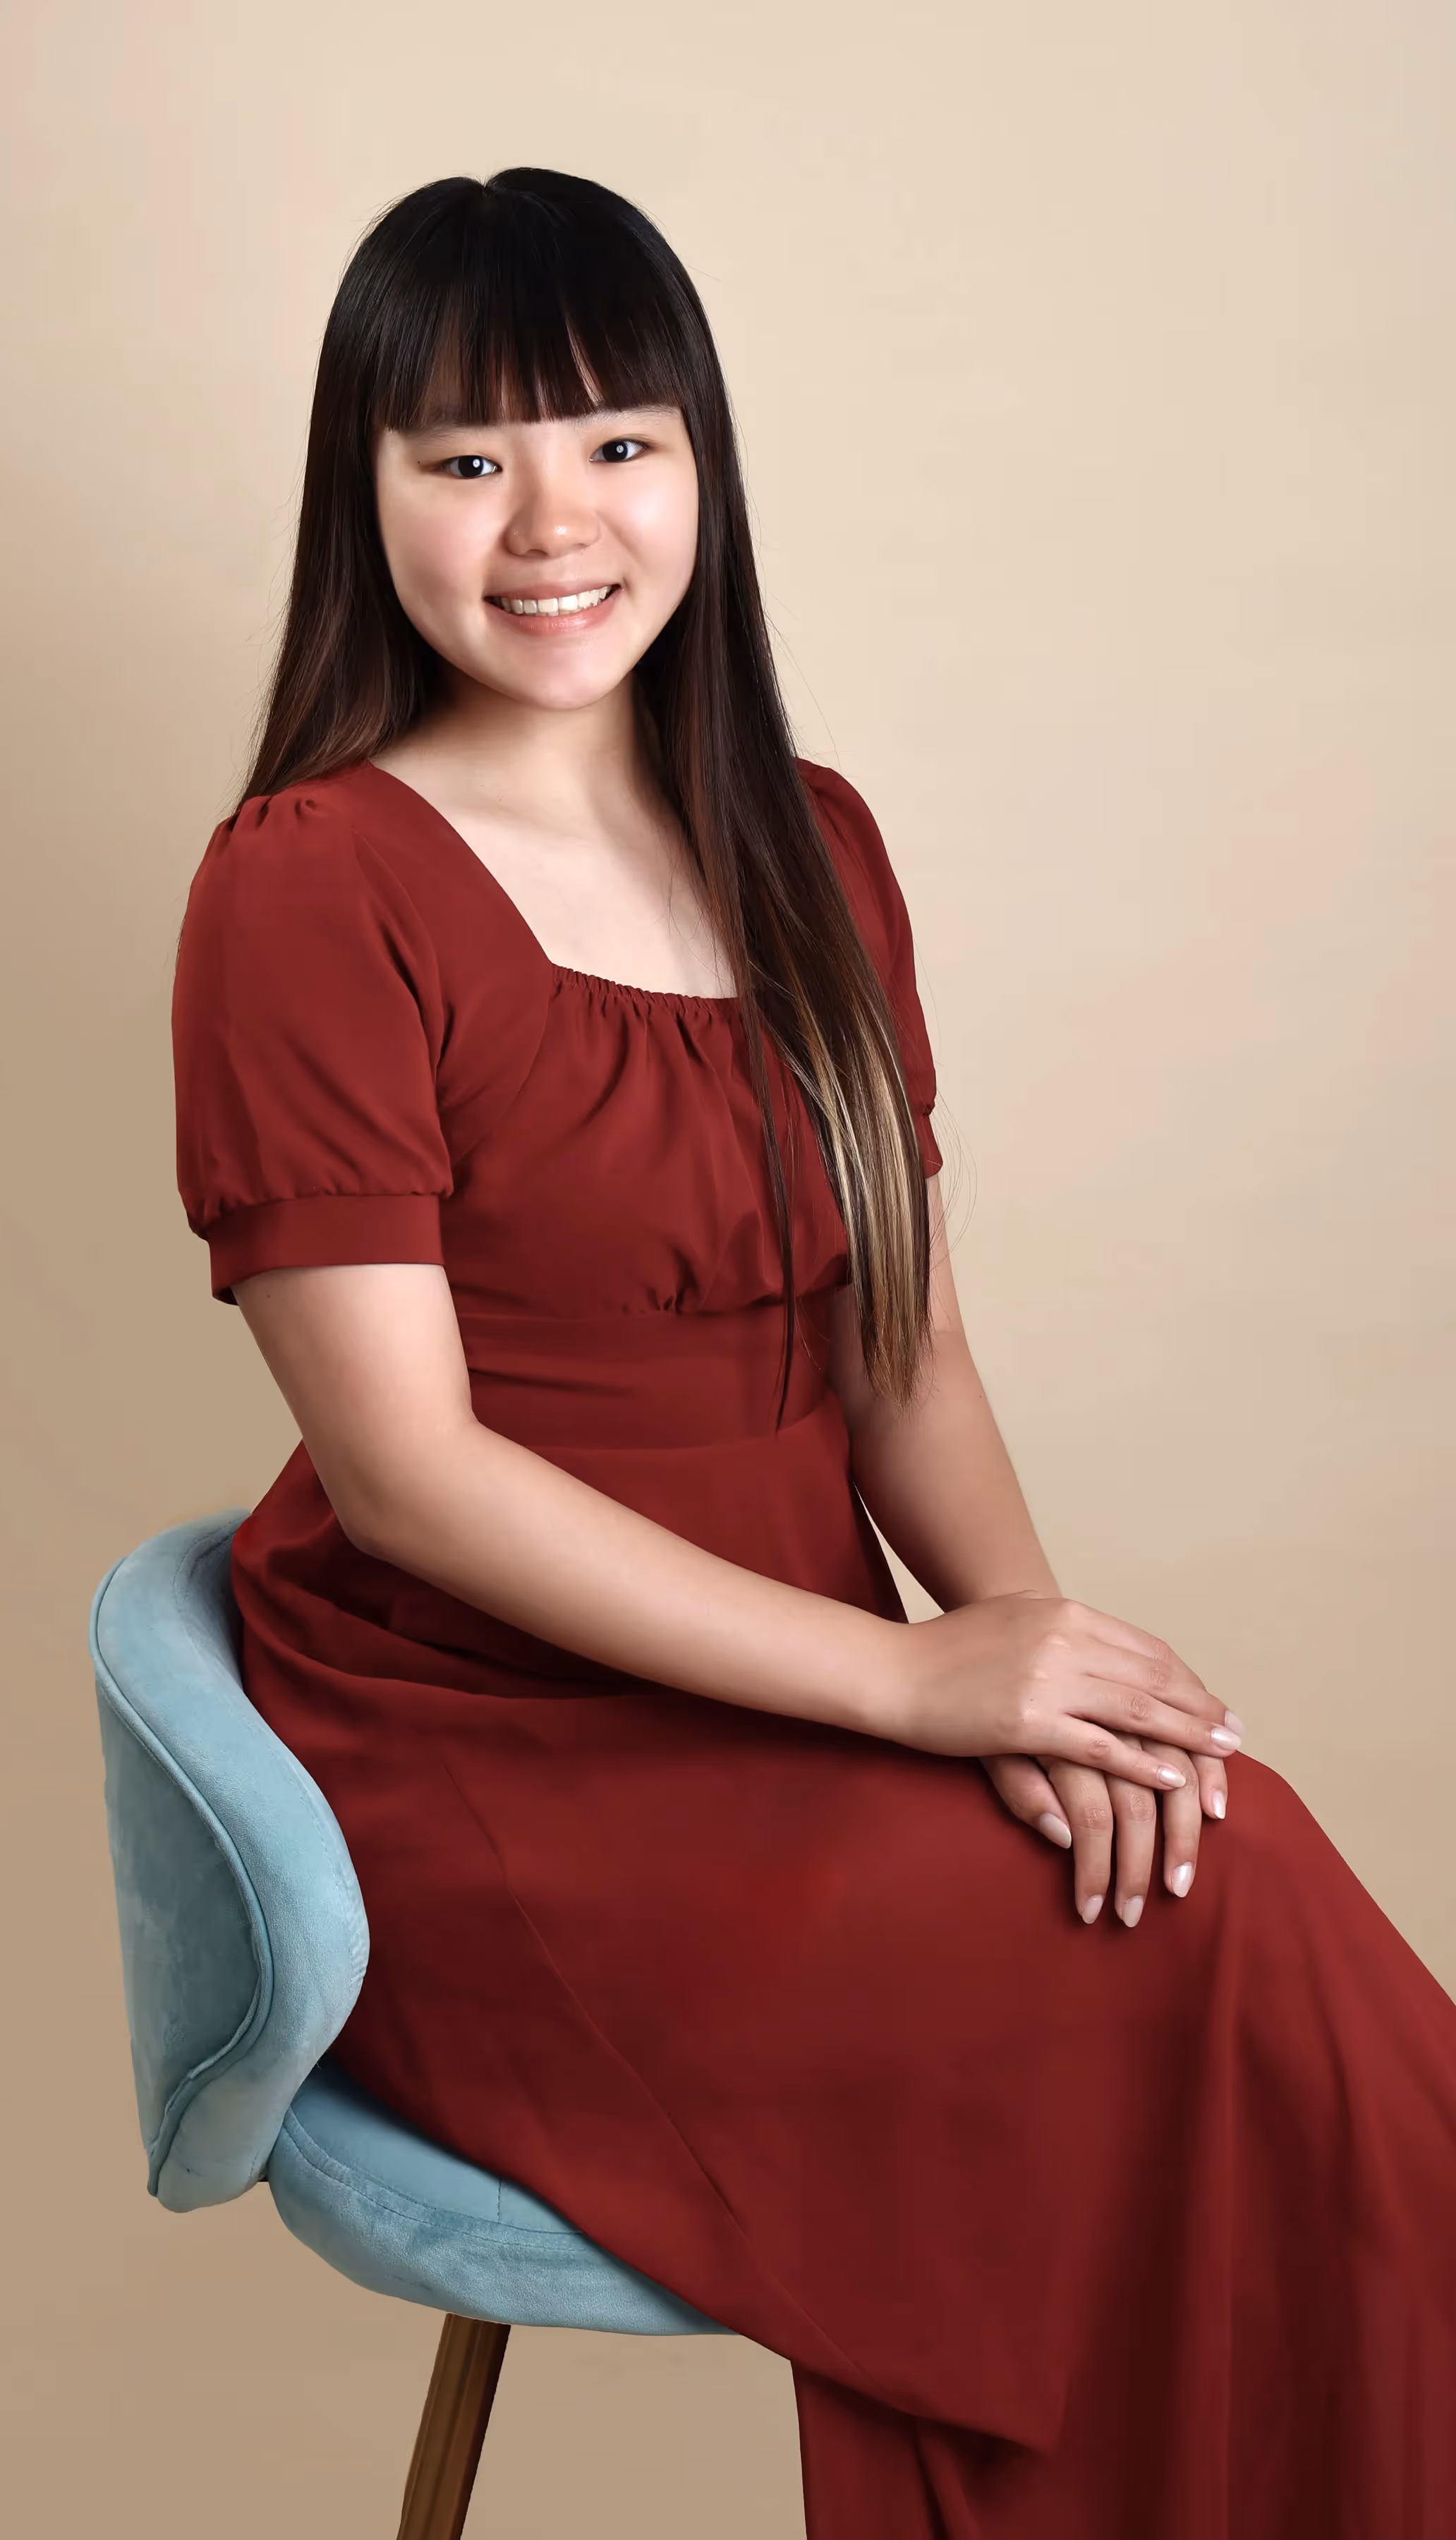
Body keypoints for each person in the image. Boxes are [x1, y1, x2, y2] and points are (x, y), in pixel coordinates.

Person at [170, 167, 1456, 2537]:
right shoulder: (307, 887)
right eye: (465, 457)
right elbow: (414, 1479)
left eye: (617, 442)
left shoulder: (813, 844)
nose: (551, 521)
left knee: (1212, 1861)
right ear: (366, 494)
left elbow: (904, 1355)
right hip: (496, 1759)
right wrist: (916, 1684)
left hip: (799, 1709)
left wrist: (1033, 1663)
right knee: (1218, 1940)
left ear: (706, 469)